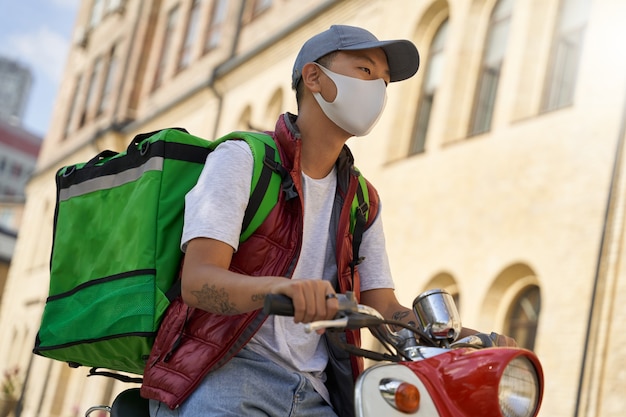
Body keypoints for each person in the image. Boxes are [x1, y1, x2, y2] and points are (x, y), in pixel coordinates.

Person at [141, 25, 513, 417]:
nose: (379, 91)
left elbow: (383, 306)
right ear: (314, 77)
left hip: (315, 394)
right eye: (366, 72)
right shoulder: (243, 159)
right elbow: (198, 282)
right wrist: (281, 289)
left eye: (385, 82)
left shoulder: (362, 200)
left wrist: (473, 340)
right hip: (225, 375)